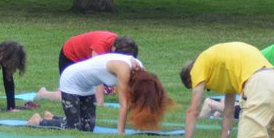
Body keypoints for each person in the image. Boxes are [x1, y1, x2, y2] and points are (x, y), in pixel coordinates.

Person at [27, 52, 172, 133]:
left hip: (88, 86)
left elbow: (144, 95)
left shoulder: (141, 70)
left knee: (88, 127)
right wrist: (120, 133)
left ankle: (54, 117)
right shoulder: (124, 71)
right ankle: (39, 121)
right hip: (71, 80)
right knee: (74, 128)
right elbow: (123, 105)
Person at [34, 31, 139, 104]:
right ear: (114, 49)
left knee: (85, 94)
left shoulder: (119, 43)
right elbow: (97, 74)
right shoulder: (101, 45)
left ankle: (60, 90)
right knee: (77, 97)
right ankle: (44, 94)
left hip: (83, 60)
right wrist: (100, 102)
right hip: (70, 56)